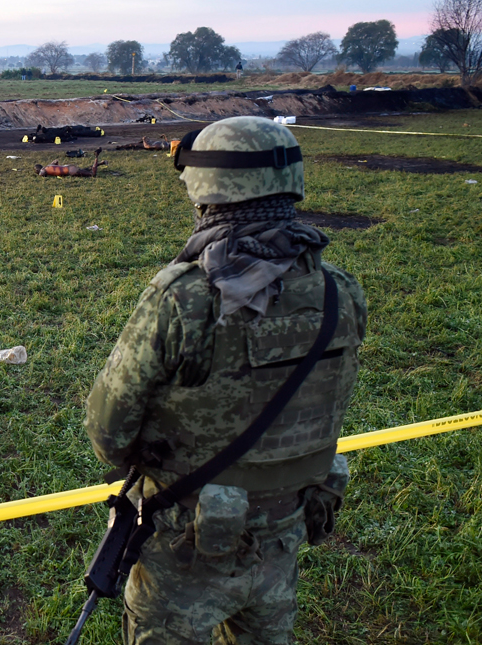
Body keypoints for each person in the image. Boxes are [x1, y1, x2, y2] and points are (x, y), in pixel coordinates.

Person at [84, 116, 367, 645]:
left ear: (207, 191)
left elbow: (107, 433)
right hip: (285, 531)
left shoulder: (183, 297)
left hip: (185, 544)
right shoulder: (339, 293)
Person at [35, 149, 105, 177]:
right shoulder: (49, 166)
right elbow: (56, 161)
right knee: (85, 170)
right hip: (69, 167)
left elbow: (41, 174)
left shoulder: (43, 170)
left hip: (70, 171)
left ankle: (96, 156)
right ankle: (101, 163)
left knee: (92, 174)